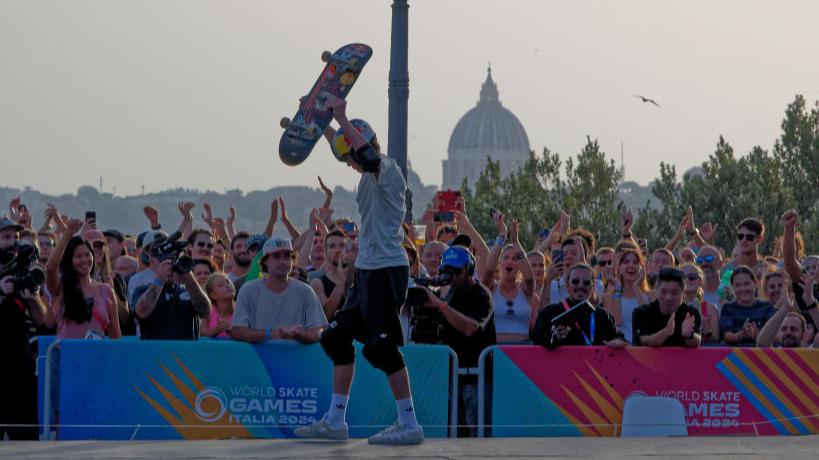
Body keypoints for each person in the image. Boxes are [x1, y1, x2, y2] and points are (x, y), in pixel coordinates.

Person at [296, 96, 423, 444]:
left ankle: (409, 424)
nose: (348, 163)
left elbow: (363, 154)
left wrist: (341, 116)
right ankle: (335, 422)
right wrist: (321, 123)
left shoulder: (387, 170)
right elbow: (347, 150)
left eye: (351, 155)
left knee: (381, 349)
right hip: (367, 271)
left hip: (387, 270)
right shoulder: (365, 177)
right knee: (335, 337)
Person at [415, 246, 495, 437]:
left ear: (468, 270)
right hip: (451, 377)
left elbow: (471, 329)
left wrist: (439, 305)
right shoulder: (450, 292)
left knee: (477, 435)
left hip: (476, 378)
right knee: (454, 435)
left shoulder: (482, 295)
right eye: (446, 270)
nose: (452, 276)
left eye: (457, 271)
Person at [0, 217, 49, 440]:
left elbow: (43, 320)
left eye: (16, 237)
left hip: (19, 366)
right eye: (6, 237)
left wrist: (33, 297)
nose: (12, 242)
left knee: (26, 438)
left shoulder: (23, 270)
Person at [230, 238, 326, 343]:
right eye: (276, 256)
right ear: (265, 261)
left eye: (287, 256)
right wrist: (270, 334)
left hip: (295, 357)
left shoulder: (306, 291)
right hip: (259, 358)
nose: (283, 261)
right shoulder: (248, 290)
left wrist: (300, 335)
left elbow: (319, 331)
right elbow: (238, 331)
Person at [132, 233, 211, 340]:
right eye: (166, 259)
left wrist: (190, 280)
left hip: (185, 355)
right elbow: (141, 312)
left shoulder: (188, 291)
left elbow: (205, 312)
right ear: (152, 263)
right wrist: (160, 280)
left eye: (174, 259)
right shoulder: (142, 290)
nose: (171, 264)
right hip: (155, 355)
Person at [533, 263, 625, 349]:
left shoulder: (603, 316)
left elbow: (619, 338)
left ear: (592, 286)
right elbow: (537, 344)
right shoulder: (549, 313)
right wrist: (554, 338)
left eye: (586, 282)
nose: (581, 286)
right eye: (575, 281)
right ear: (567, 285)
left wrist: (618, 342)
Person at [481, 215, 537, 343]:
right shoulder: (491, 288)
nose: (510, 261)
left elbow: (529, 277)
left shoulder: (526, 290)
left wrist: (515, 242)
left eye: (515, 258)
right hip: (495, 352)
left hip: (522, 353)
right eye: (505, 258)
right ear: (500, 264)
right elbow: (488, 270)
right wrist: (502, 235)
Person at [632, 268, 702, 347]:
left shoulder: (691, 313)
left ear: (684, 293)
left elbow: (697, 342)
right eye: (663, 292)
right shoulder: (642, 312)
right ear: (657, 291)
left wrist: (689, 335)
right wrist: (666, 332)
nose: (668, 298)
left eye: (674, 292)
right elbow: (644, 341)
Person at [602, 248, 649, 344]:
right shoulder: (608, 297)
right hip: (620, 349)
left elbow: (646, 319)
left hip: (644, 350)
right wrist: (618, 288)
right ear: (619, 268)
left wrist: (636, 287)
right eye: (626, 262)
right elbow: (616, 322)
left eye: (635, 262)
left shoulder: (651, 295)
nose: (631, 265)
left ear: (642, 268)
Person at [719, 266, 775, 345]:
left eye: (747, 284)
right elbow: (727, 335)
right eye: (738, 285)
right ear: (732, 287)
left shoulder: (767, 307)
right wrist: (741, 335)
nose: (743, 289)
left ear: (755, 284)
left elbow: (774, 334)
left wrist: (757, 333)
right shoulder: (728, 308)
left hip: (763, 354)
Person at [310, 230, 356, 321]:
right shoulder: (317, 283)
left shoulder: (359, 277)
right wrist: (340, 282)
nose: (338, 250)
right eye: (332, 246)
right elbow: (326, 316)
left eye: (342, 245)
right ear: (325, 253)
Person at [679, 263, 720, 343]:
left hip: (702, 354)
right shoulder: (672, 307)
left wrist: (707, 330)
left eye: (692, 277)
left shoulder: (710, 308)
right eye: (682, 277)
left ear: (701, 280)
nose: (687, 280)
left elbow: (715, 340)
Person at [201, 273, 235, 339]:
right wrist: (217, 329)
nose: (227, 285)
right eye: (220, 285)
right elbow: (202, 333)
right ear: (213, 295)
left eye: (228, 282)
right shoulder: (207, 311)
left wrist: (231, 331)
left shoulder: (241, 308)